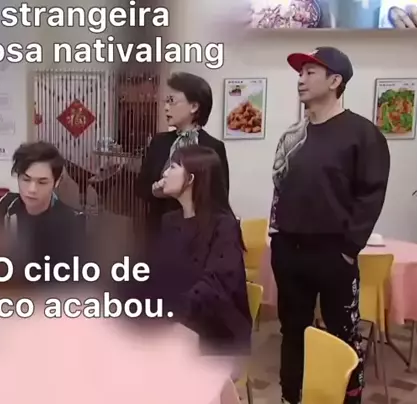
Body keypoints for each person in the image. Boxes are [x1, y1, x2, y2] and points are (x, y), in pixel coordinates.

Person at [270, 47, 390, 404]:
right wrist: (277, 236)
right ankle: (291, 395)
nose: (301, 79)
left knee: (343, 334)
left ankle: (347, 398)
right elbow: (280, 189)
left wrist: (348, 248)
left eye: (310, 72)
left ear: (335, 81)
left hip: (334, 253)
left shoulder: (362, 134)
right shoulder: (293, 136)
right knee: (293, 330)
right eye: (300, 73)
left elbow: (371, 195)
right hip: (289, 251)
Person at [133, 145, 250, 357]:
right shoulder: (170, 221)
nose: (164, 173)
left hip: (214, 328)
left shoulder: (224, 226)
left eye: (173, 167)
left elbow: (216, 285)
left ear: (191, 178)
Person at [137, 72, 229, 239]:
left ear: (194, 107)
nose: (166, 107)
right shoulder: (159, 142)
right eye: (165, 101)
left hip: (199, 233)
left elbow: (219, 196)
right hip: (159, 231)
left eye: (172, 101)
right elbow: (141, 187)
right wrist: (157, 190)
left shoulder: (213, 147)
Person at [0, 141, 86, 279]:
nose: (32, 189)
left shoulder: (73, 220)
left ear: (56, 182)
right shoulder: (6, 207)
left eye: (42, 182)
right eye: (26, 179)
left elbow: (73, 279)